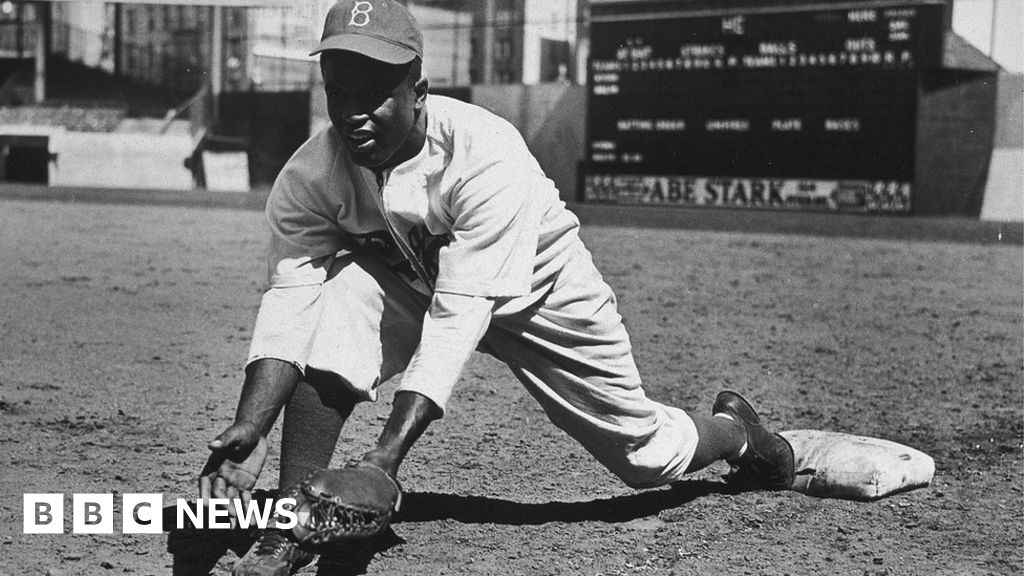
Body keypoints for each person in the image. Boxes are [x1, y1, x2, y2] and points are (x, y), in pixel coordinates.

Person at [198, 1, 795, 575]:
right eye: (339, 91)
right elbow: (289, 301)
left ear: (418, 92)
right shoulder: (310, 175)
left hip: (545, 296)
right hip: (419, 286)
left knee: (644, 454)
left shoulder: (484, 154)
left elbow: (459, 319)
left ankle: (739, 434)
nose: (355, 112)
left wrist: (384, 462)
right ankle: (289, 523)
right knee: (338, 303)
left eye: (375, 93)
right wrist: (251, 423)